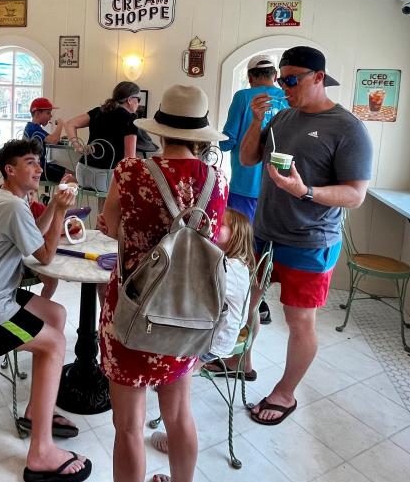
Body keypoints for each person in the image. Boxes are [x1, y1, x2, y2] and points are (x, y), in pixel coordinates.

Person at [72, 84, 227, 482]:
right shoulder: (214, 179)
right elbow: (213, 235)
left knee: (129, 427)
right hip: (187, 311)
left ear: (158, 128)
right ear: (200, 132)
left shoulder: (132, 169)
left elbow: (111, 227)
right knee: (179, 416)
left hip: (134, 312)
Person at [238, 46, 372, 426]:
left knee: (300, 321)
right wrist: (256, 121)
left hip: (311, 240)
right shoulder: (282, 117)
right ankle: (240, 362)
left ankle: (285, 393)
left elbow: (355, 194)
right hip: (265, 233)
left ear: (318, 77)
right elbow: (249, 159)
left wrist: (306, 192)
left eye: (292, 79)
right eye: (282, 79)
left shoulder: (348, 128)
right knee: (245, 300)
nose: (285, 86)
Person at [0, 138, 91, 482]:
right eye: (30, 162)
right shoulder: (12, 206)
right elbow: (45, 256)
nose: (39, 168)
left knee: (55, 315)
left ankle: (35, 411)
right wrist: (58, 210)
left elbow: (34, 240)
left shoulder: (9, 199)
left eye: (38, 162)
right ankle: (41, 452)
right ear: (10, 170)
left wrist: (54, 211)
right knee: (55, 342)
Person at [149, 207, 254, 455]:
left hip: (213, 344)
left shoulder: (225, 269)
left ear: (236, 235)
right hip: (227, 334)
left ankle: (174, 438)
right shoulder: (237, 264)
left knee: (170, 375)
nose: (216, 225)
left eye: (223, 224)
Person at [219, 55, 285, 326]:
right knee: (265, 247)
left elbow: (227, 141)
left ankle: (236, 302)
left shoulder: (244, 97)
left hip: (245, 186)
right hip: (278, 189)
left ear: (250, 76)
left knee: (239, 245)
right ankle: (261, 301)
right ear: (274, 75)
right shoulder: (286, 98)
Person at [64, 81, 141, 174]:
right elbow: (129, 158)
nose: (139, 103)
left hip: (83, 170)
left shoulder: (98, 111)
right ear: (129, 99)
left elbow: (69, 124)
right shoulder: (131, 119)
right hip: (108, 175)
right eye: (138, 99)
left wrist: (77, 146)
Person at [23, 97, 67, 184]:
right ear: (37, 113)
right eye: (48, 113)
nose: (50, 116)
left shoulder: (32, 127)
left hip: (36, 166)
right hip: (37, 169)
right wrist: (60, 124)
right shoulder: (35, 129)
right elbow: (54, 140)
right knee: (70, 176)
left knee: (67, 171)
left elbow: (50, 139)